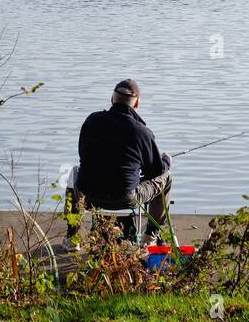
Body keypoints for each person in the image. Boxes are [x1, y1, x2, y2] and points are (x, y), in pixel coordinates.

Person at [66, 78, 172, 247]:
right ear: (136, 104)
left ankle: (72, 238)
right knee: (166, 178)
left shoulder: (91, 121)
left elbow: (83, 155)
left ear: (112, 99)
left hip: (89, 196)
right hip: (125, 197)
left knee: (74, 172)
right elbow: (155, 171)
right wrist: (166, 160)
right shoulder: (142, 132)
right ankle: (150, 237)